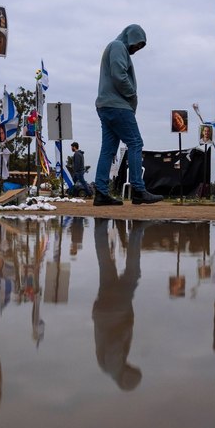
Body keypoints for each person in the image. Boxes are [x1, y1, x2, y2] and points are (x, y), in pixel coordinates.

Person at [93, 24, 163, 206]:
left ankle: (101, 193)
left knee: (108, 150)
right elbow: (119, 75)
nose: (137, 49)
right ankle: (138, 190)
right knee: (135, 142)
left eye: (141, 47)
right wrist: (132, 94)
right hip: (117, 106)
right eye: (137, 44)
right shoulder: (118, 46)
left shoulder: (114, 47)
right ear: (130, 37)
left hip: (105, 105)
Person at [92, 219, 144, 391]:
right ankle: (99, 227)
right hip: (103, 311)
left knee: (134, 272)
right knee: (105, 263)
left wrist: (125, 326)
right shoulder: (108, 369)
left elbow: (114, 343)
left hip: (116, 311)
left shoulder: (115, 367)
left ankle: (138, 231)